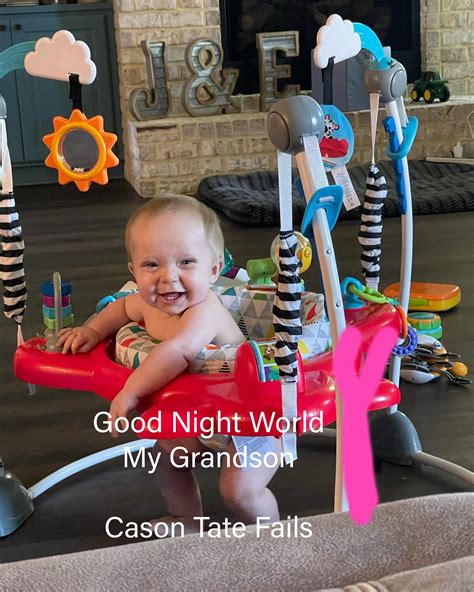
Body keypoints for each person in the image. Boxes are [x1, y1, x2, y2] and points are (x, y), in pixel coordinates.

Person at [57, 196, 281, 534]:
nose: (168, 277)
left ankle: (271, 540)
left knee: (240, 492)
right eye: (151, 265)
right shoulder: (148, 305)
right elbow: (121, 309)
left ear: (213, 270)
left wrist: (131, 391)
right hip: (199, 415)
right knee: (168, 458)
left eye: (186, 262)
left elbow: (178, 351)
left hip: (251, 418)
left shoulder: (204, 311)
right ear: (133, 272)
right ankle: (186, 519)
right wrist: (91, 330)